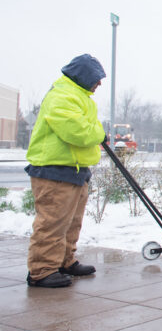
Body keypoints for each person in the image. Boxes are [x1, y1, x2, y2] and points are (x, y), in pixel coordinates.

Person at [25, 54, 106, 288]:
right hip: (54, 170)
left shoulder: (80, 96)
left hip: (75, 169)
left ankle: (64, 261)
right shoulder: (61, 96)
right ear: (82, 76)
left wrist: (96, 132)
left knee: (71, 222)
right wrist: (100, 134)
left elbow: (85, 128)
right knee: (52, 222)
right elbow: (76, 131)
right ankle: (41, 270)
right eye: (95, 78)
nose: (99, 84)